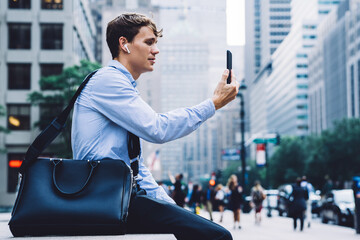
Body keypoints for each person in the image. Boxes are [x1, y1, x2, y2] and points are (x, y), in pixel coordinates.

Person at [71, 13, 238, 240]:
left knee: (203, 230)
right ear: (124, 44)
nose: (156, 50)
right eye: (149, 42)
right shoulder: (108, 81)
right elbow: (158, 129)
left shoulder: (121, 85)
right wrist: (213, 104)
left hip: (117, 195)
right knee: (218, 236)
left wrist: (170, 206)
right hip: (105, 197)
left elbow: (135, 166)